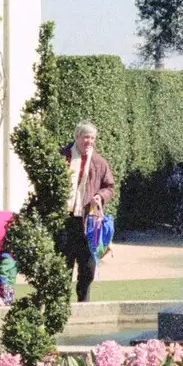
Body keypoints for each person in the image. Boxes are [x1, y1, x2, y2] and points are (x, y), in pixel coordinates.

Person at [60, 122, 114, 303]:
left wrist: (100, 196)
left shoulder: (99, 162)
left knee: (88, 267)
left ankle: (83, 304)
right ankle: (61, 306)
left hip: (88, 222)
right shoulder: (63, 156)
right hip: (65, 221)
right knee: (63, 266)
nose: (89, 141)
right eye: (85, 137)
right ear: (77, 137)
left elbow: (110, 187)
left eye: (92, 138)